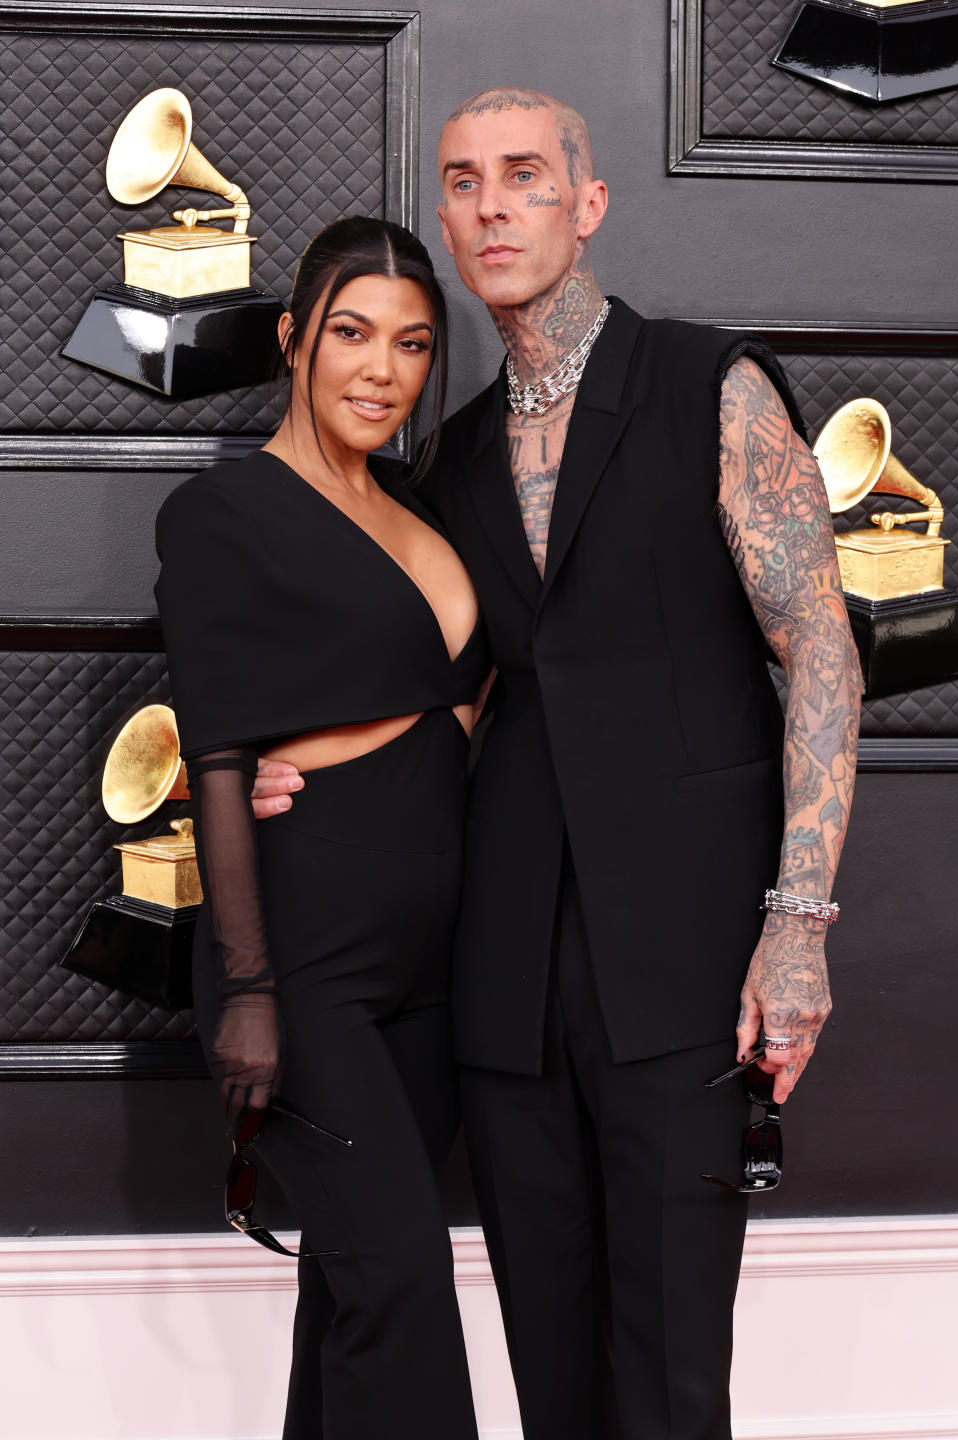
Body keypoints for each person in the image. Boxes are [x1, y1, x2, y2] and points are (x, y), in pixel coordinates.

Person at [254, 91, 862, 1440]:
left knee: (668, 1382)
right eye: (465, 181)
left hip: (687, 959)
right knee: (552, 1377)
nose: (491, 205)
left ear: (586, 204)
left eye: (525, 176)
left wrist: (798, 924)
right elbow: (442, 701)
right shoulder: (454, 454)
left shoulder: (713, 383)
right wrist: (289, 773)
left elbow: (820, 647)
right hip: (505, 966)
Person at [154, 217, 484, 1440]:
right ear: (294, 339)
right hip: (307, 962)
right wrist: (250, 986)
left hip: (439, 967)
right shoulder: (224, 512)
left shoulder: (425, 506)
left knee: (348, 1291)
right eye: (350, 332)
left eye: (410, 343)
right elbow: (219, 755)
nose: (379, 369)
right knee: (398, 1280)